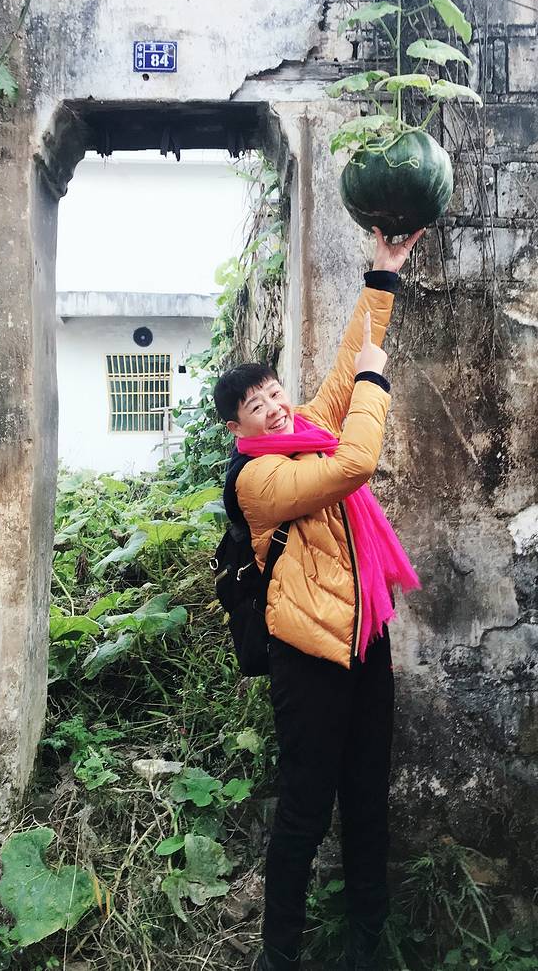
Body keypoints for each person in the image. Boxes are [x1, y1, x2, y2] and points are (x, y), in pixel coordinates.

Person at [212, 227, 425, 971]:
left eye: (274, 392)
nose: (273, 407)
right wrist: (375, 382)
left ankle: (367, 942)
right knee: (304, 811)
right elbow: (357, 462)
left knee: (367, 800)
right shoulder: (258, 480)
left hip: (365, 640)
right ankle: (280, 955)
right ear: (235, 427)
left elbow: (346, 358)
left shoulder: (308, 428)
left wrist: (382, 273)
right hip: (308, 657)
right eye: (255, 405)